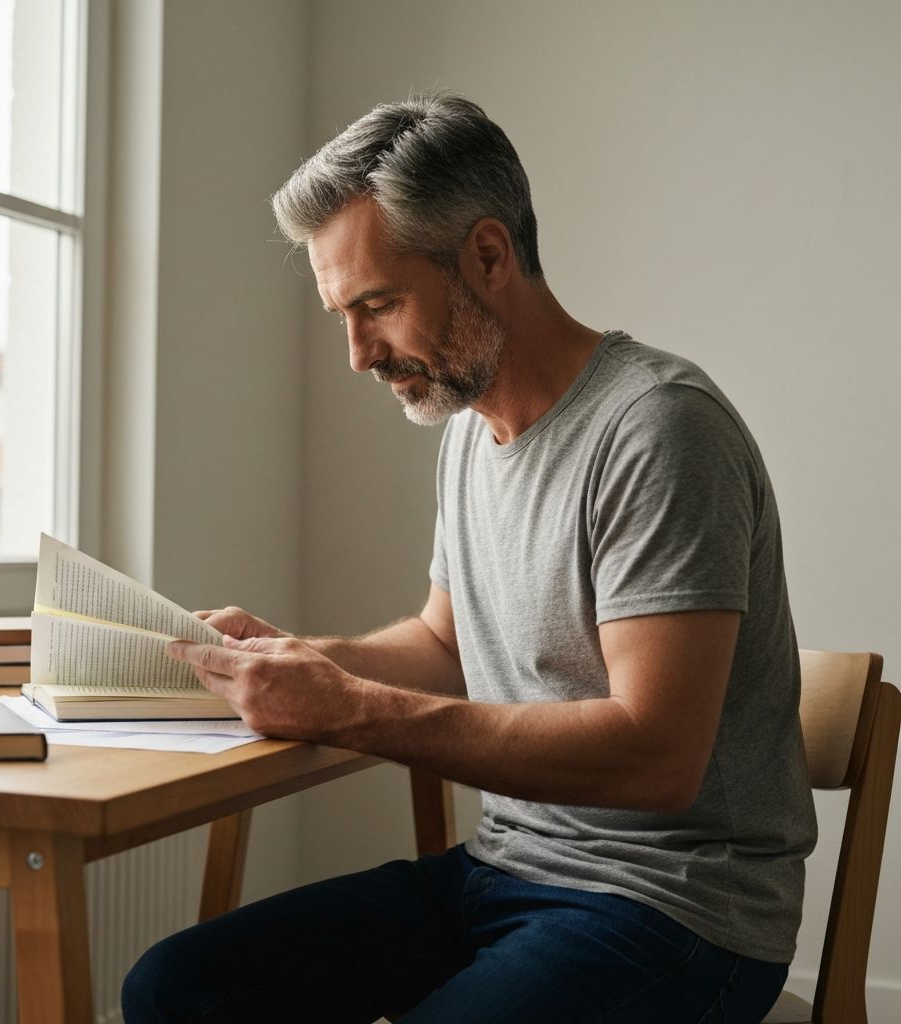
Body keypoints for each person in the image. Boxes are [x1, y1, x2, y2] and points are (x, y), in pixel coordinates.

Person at [122, 93, 816, 1024]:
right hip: (509, 867)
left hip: (677, 909)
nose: (359, 353)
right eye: (343, 313)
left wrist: (354, 711)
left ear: (488, 256)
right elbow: (446, 645)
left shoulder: (658, 428)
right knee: (175, 990)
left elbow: (658, 758)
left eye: (378, 305)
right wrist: (299, 659)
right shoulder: (467, 431)